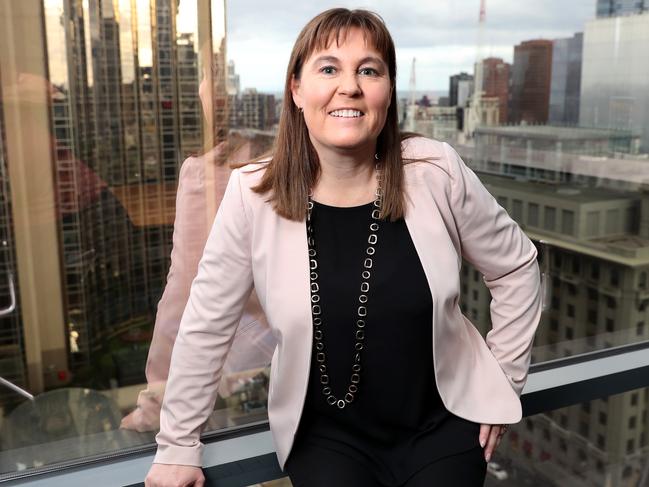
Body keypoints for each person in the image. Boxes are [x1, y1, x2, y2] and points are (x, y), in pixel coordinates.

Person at [145, 7, 542, 487]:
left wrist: (502, 380)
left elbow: (517, 267)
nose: (349, 86)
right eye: (328, 68)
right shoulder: (252, 195)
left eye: (369, 70)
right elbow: (206, 325)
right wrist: (177, 444)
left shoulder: (434, 171)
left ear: (387, 90)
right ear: (296, 89)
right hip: (326, 438)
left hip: (443, 427)